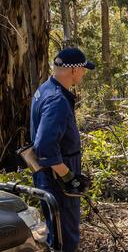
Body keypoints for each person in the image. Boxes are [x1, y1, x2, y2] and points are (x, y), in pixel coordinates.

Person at [31, 47, 94, 251]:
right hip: (57, 181)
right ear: (74, 70)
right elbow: (45, 147)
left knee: (55, 234)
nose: (84, 73)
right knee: (65, 238)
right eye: (83, 69)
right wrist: (69, 177)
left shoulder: (44, 89)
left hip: (48, 176)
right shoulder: (57, 99)